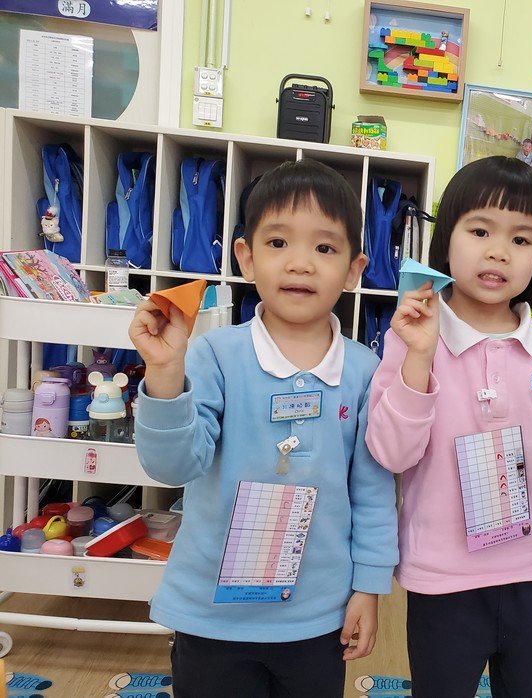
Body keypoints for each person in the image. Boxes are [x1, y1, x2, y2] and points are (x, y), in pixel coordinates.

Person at [130, 159, 399, 698]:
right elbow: (172, 466)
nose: (300, 263)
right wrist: (164, 373)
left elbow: (372, 490)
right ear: (247, 258)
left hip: (317, 616)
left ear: (354, 270)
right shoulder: (213, 355)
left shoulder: (365, 370)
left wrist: (368, 586)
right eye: (278, 243)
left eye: (324, 248)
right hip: (211, 613)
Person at [366, 156, 532, 698]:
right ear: (445, 240)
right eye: (479, 232)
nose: (499, 252)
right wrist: (419, 358)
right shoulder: (412, 337)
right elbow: (391, 454)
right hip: (443, 579)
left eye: (521, 239)